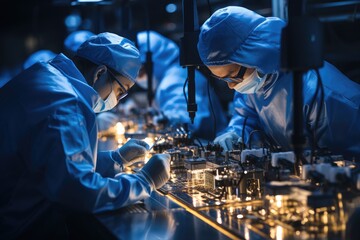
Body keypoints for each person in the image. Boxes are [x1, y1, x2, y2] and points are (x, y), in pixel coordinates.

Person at [0, 32, 171, 239]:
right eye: (121, 91)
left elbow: (54, 163)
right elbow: (80, 191)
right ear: (100, 73)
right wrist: (143, 182)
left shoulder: (48, 77)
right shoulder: (65, 104)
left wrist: (115, 159)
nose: (119, 99)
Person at [197, 6, 360, 160]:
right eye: (223, 78)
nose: (231, 86)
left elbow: (346, 166)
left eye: (233, 76)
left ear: (257, 54)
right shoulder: (255, 79)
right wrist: (234, 134)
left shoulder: (324, 95)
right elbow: (246, 118)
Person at [119, 30, 228, 140]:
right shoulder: (173, 75)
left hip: (207, 143)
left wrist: (164, 120)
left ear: (156, 62)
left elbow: (182, 121)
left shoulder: (174, 81)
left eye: (140, 72)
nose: (138, 79)